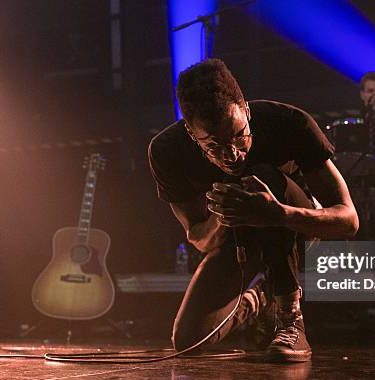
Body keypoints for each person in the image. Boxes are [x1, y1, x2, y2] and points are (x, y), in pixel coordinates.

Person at [148, 59, 358, 363]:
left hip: (295, 227)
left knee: (261, 176)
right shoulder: (167, 151)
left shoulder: (288, 122)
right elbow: (199, 238)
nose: (232, 153)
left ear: (246, 111)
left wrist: (278, 214)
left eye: (239, 135)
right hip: (237, 240)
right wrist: (228, 214)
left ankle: (290, 317)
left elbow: (348, 220)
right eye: (214, 146)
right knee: (188, 341)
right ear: (192, 135)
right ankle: (259, 299)